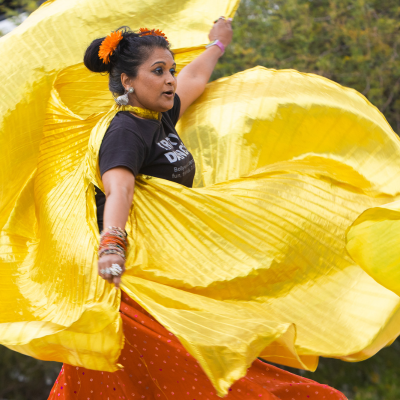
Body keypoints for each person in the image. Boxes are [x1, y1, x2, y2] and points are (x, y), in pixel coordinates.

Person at [47, 20, 347, 400]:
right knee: (208, 384)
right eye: (158, 72)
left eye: (169, 69)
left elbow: (194, 78)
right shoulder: (124, 131)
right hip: (128, 286)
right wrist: (111, 244)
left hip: (162, 278)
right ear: (127, 81)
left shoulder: (159, 118)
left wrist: (217, 45)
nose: (170, 79)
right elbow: (118, 188)